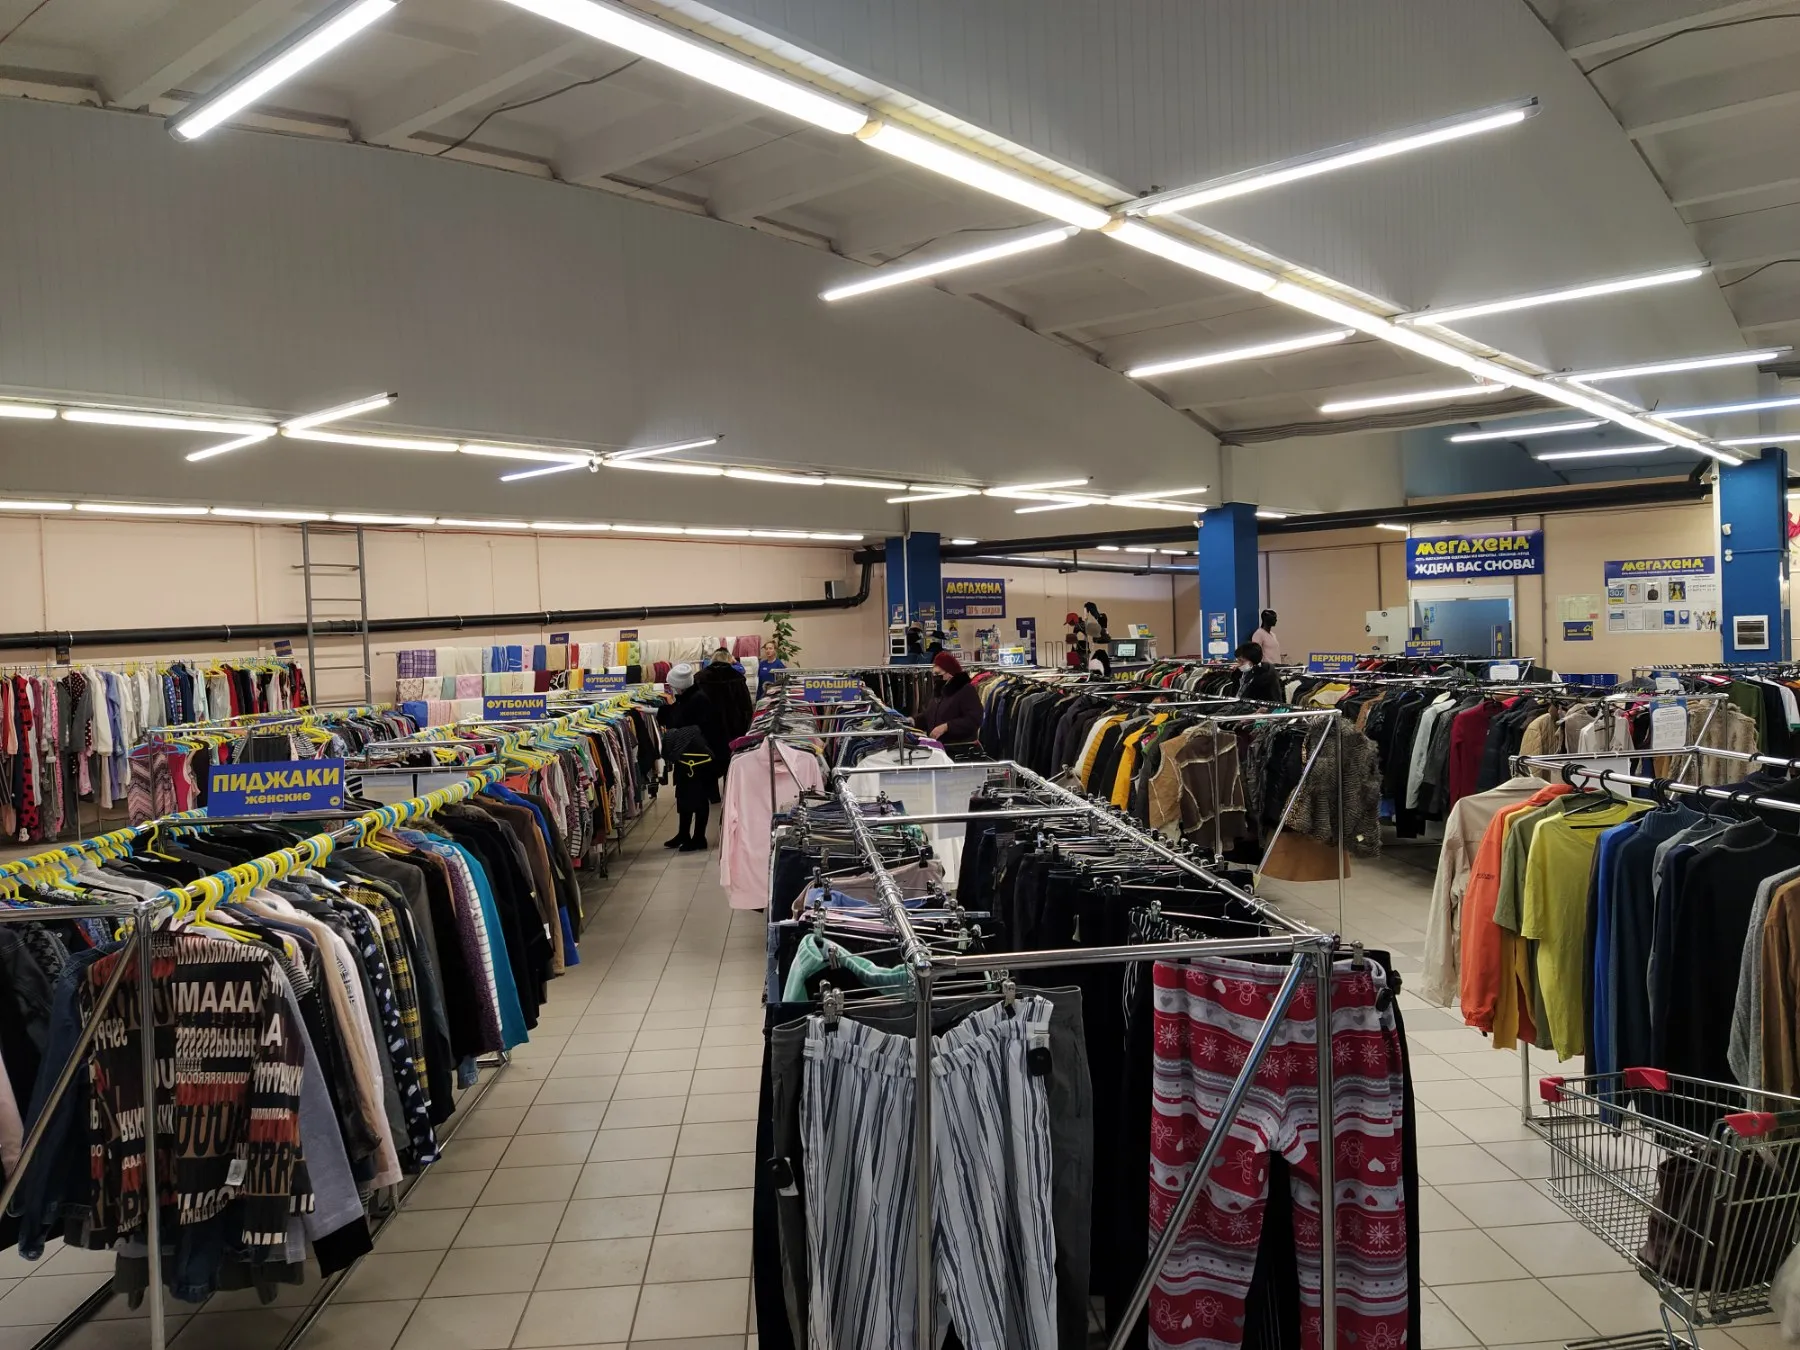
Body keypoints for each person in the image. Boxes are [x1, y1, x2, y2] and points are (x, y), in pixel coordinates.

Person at [656, 662, 730, 851]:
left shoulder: (697, 700)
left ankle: (699, 837)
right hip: (688, 757)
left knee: (698, 797)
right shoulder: (690, 697)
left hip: (699, 759)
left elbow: (681, 722)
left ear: (680, 685)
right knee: (684, 796)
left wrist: (664, 713)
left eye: (673, 685)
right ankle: (683, 833)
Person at [916, 650, 983, 744]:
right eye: (934, 674)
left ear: (950, 673)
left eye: (938, 674)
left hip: (959, 747)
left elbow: (974, 719)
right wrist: (913, 721)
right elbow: (929, 715)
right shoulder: (939, 690)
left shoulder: (965, 689)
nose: (935, 677)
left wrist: (947, 726)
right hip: (940, 747)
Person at [694, 645, 753, 742]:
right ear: (729, 659)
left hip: (707, 728)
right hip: (733, 727)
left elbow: (693, 704)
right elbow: (746, 705)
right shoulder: (737, 677)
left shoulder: (699, 677)